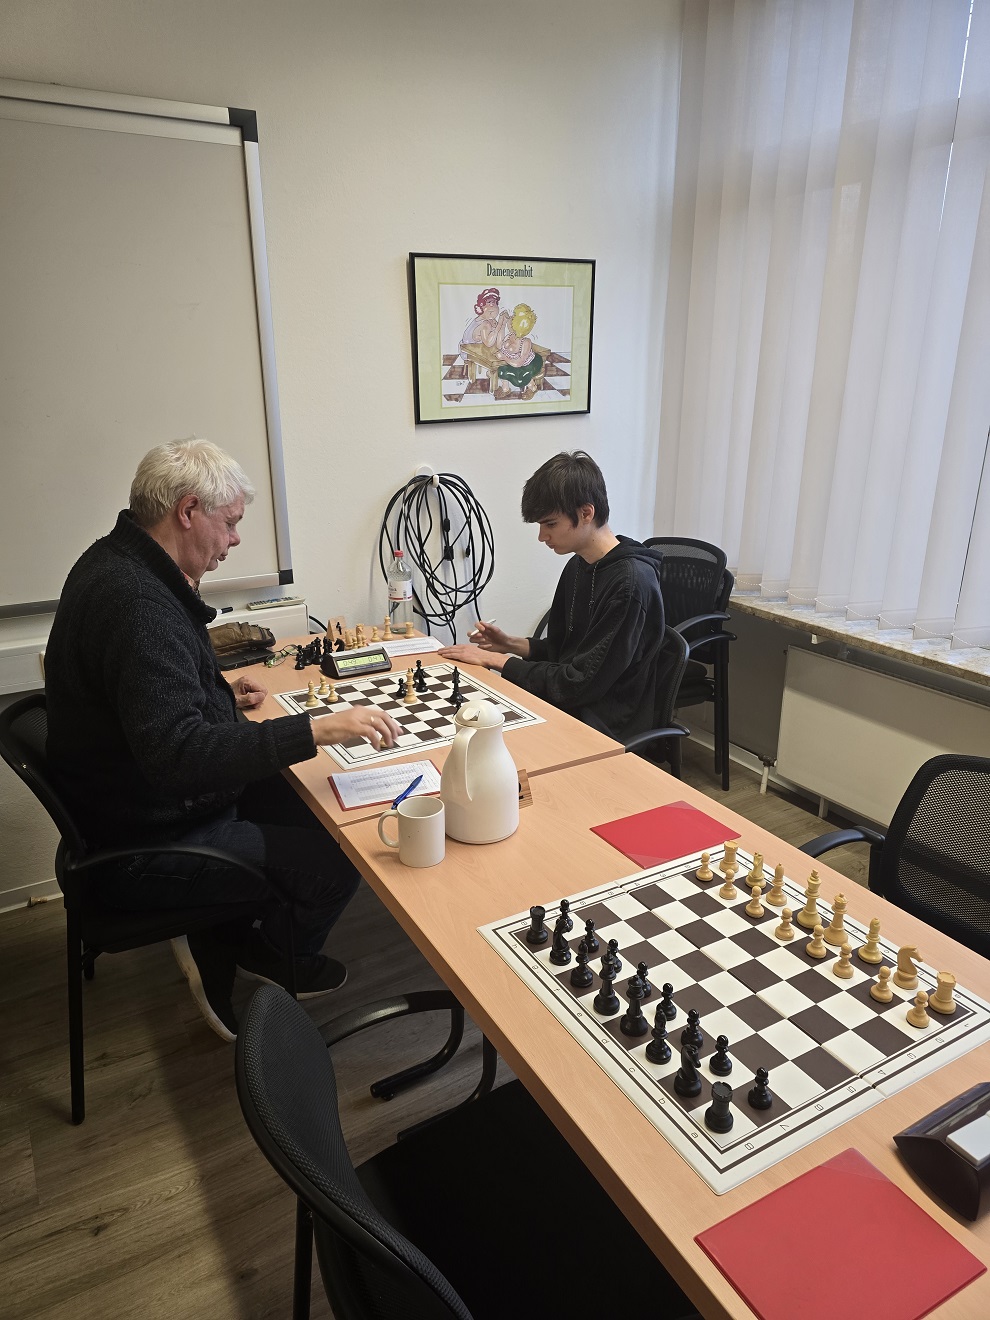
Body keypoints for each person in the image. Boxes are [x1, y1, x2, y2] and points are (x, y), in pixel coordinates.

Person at [45, 439, 401, 1041]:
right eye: (230, 522)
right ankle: (265, 954)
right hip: (147, 841)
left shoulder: (115, 563)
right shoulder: (137, 603)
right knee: (341, 860)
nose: (235, 540)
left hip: (128, 808)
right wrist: (314, 728)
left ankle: (234, 928)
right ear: (187, 511)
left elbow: (142, 700)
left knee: (324, 805)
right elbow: (178, 757)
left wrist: (215, 695)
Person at [439, 451, 664, 742]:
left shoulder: (630, 585)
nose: (542, 536)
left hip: (601, 724)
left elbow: (578, 683)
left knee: (479, 737)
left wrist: (495, 660)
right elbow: (565, 653)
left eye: (550, 524)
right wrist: (510, 645)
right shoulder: (579, 564)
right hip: (568, 705)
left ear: (586, 513)